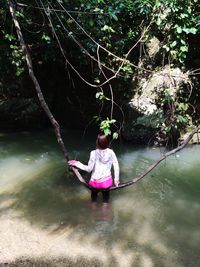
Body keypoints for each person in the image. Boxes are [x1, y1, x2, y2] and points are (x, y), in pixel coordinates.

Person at [68, 133, 120, 203]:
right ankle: (105, 207)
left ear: (97, 142)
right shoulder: (111, 152)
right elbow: (116, 166)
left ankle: (93, 206)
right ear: (107, 142)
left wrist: (77, 163)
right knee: (105, 201)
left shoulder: (93, 153)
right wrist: (116, 179)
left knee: (93, 200)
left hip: (95, 183)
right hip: (106, 183)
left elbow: (89, 169)